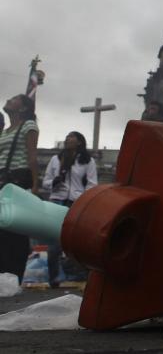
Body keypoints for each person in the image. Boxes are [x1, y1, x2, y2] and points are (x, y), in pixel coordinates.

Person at [42, 131, 97, 288]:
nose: (67, 139)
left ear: (80, 142)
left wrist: (84, 201)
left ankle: (80, 275)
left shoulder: (87, 161)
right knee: (54, 241)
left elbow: (92, 184)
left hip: (75, 204)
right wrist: (54, 182)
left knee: (75, 241)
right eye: (66, 137)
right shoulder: (56, 159)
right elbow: (45, 181)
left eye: (71, 137)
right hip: (56, 201)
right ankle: (54, 279)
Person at [0, 94, 40, 282]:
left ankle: (14, 273)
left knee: (15, 227)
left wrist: (35, 185)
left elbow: (32, 155)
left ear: (23, 108)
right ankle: (3, 273)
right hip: (2, 181)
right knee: (2, 227)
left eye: (14, 99)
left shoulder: (28, 126)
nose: (9, 100)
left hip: (19, 180)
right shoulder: (6, 131)